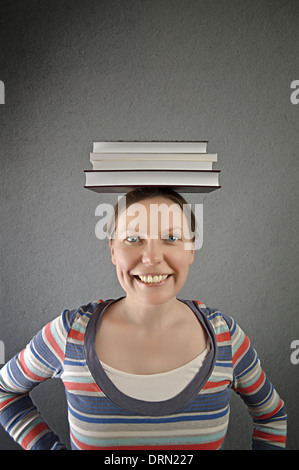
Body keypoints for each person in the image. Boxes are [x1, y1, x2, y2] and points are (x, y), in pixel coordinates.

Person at [0, 187, 287, 450]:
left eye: (171, 238)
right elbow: (4, 392)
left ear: (191, 250)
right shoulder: (69, 334)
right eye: (133, 239)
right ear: (113, 249)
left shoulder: (226, 338)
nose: (151, 257)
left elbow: (272, 417)